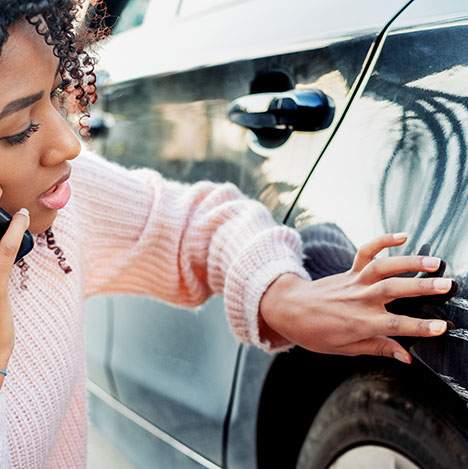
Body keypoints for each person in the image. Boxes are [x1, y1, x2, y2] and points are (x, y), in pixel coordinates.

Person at [0, 1, 454, 467]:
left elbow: (190, 224)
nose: (70, 144)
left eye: (57, 96)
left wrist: (280, 297)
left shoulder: (61, 205)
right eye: (17, 129)